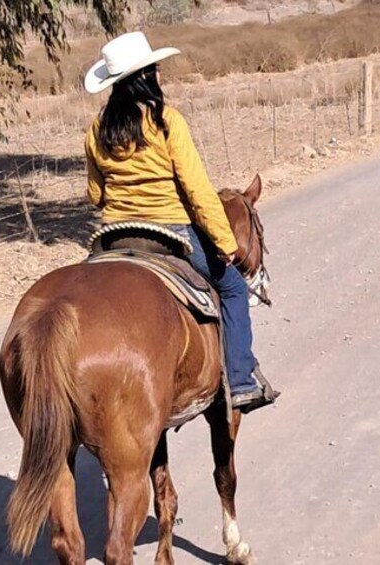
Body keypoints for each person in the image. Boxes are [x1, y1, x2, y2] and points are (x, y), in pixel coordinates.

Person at [83, 32, 278, 412]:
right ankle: (239, 381)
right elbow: (198, 191)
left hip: (111, 236)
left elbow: (96, 195)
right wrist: (225, 244)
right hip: (168, 231)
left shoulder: (97, 129)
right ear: (149, 75)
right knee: (235, 289)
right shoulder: (166, 121)